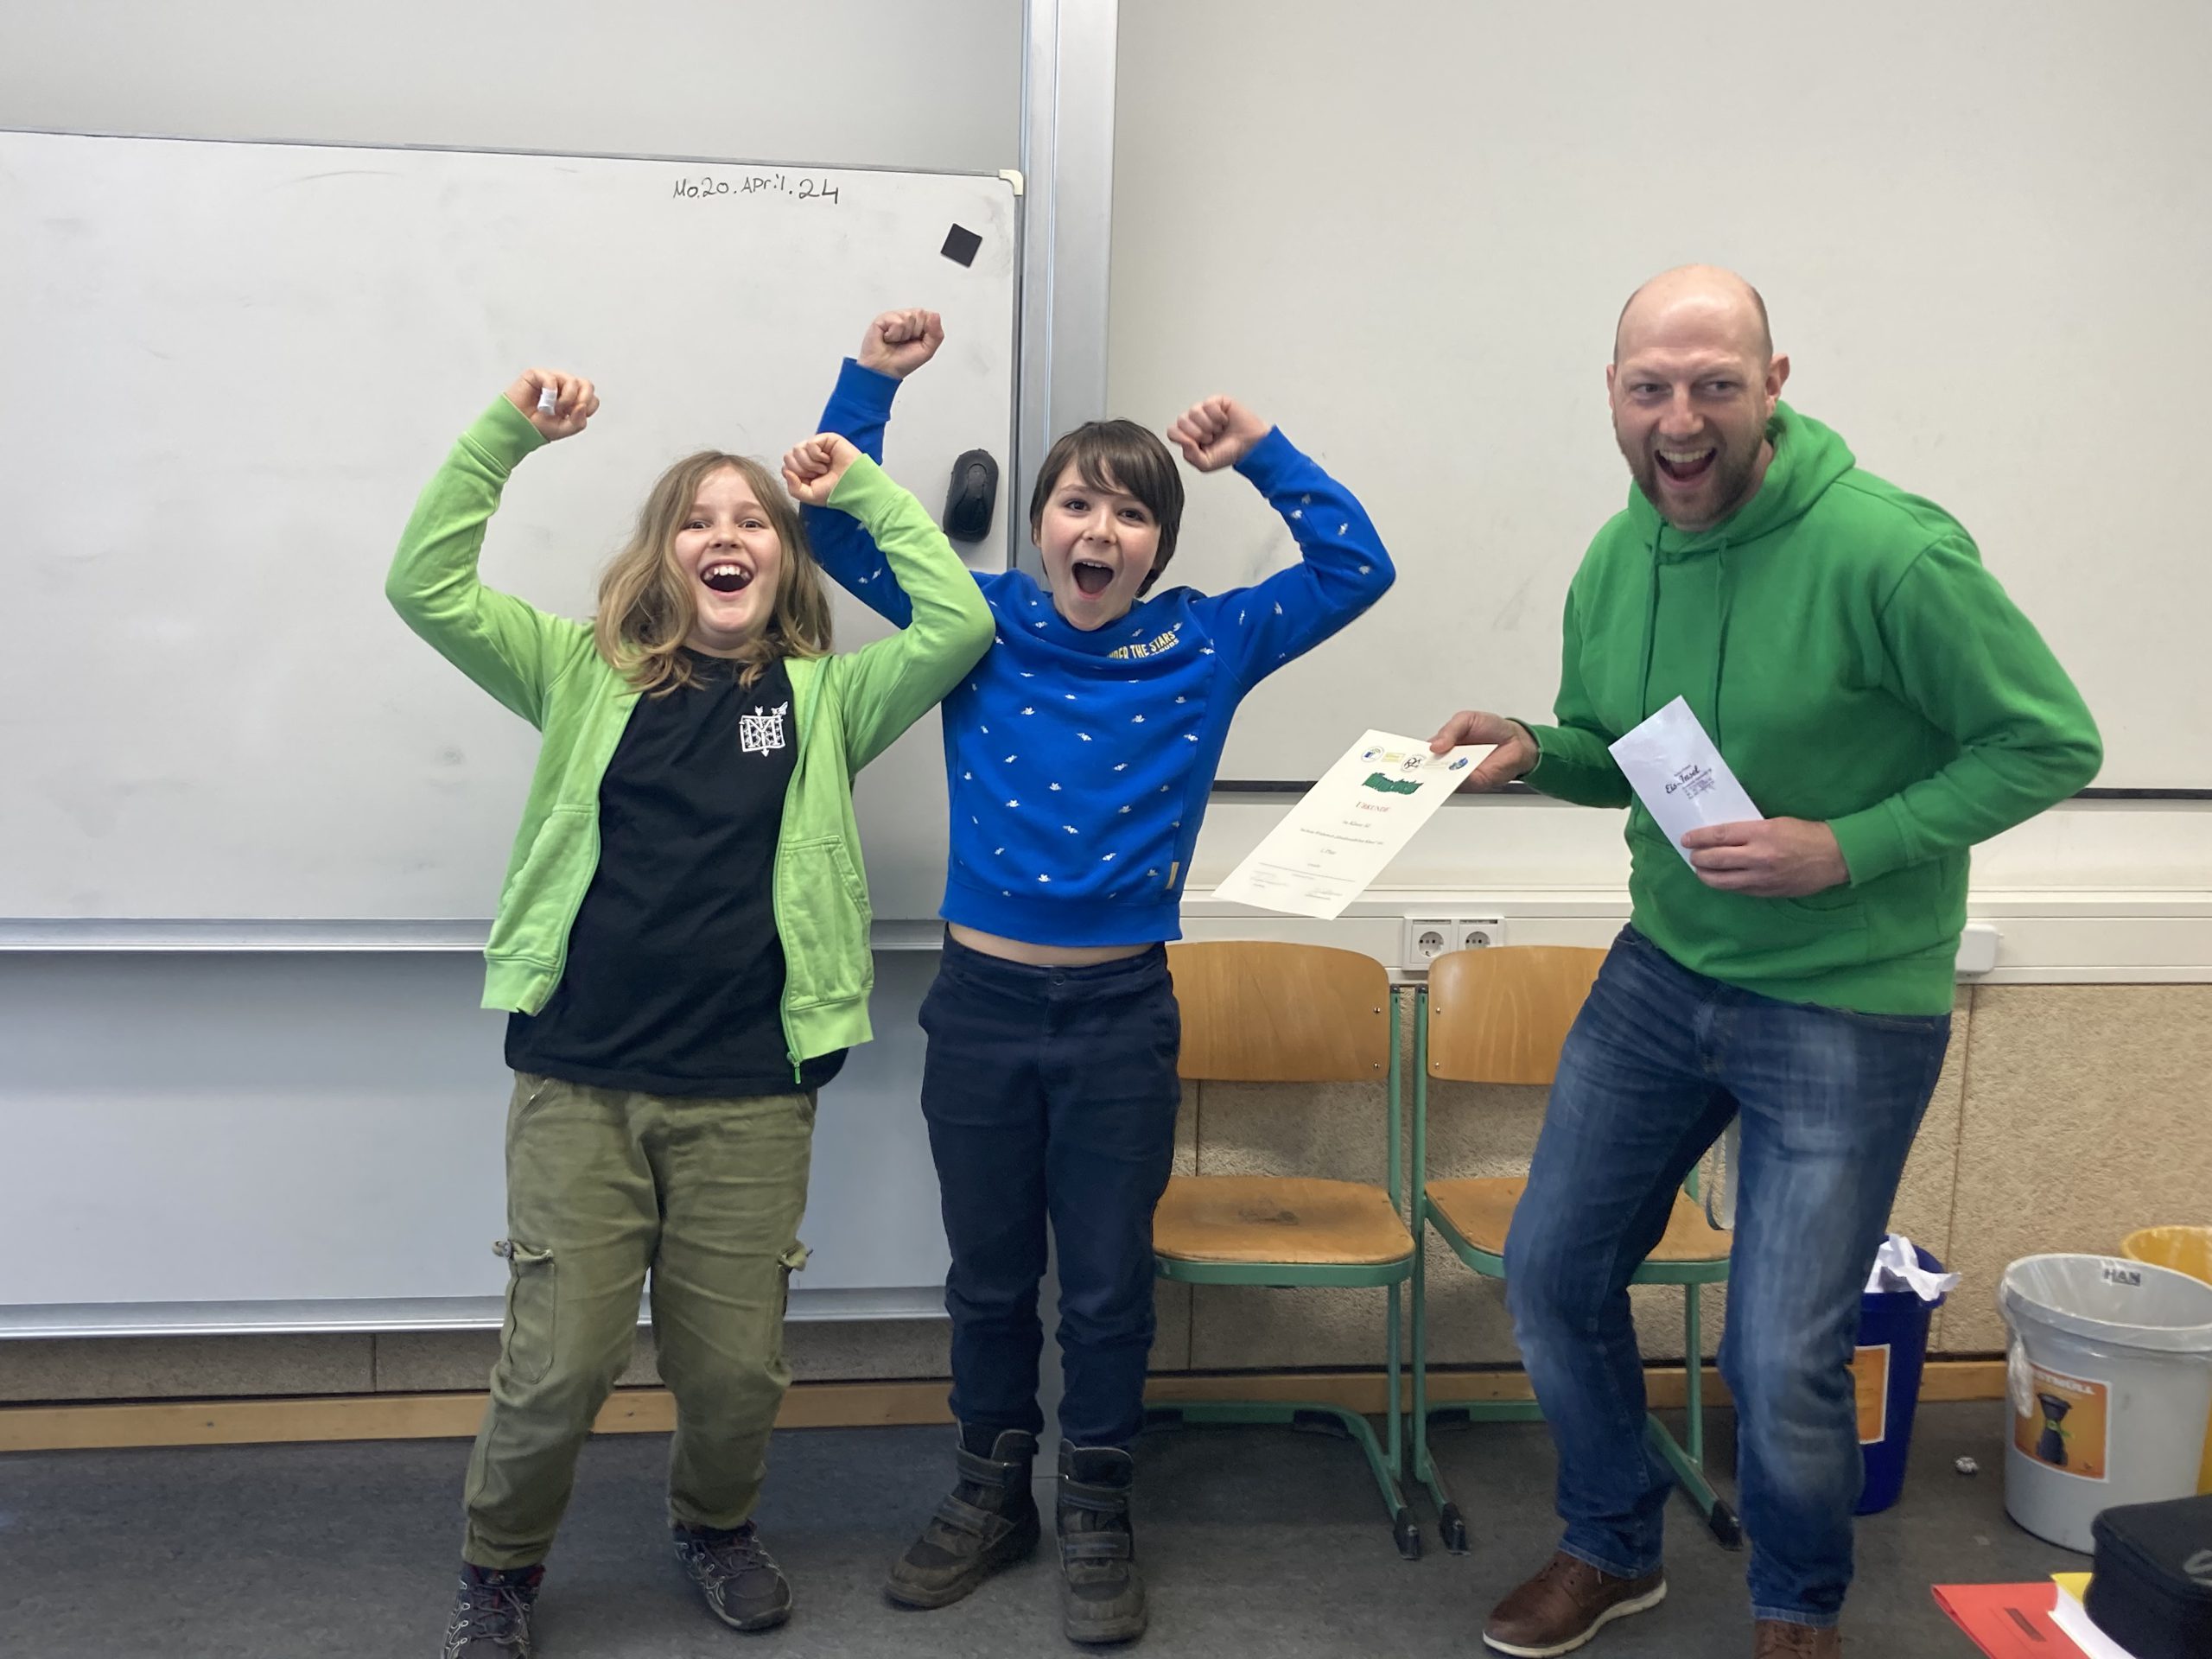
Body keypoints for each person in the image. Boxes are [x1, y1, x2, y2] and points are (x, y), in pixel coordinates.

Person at [1429, 265, 2101, 1659]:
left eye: (1715, 387)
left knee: (1778, 1351)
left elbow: (2050, 742)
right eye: (1650, 389)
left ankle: (1798, 1610)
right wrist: (1535, 749)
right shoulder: (1616, 559)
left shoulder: (1890, 552)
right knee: (1552, 1274)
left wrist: (1844, 847)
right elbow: (1618, 744)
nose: (1681, 421)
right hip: (1668, 972)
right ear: (1612, 394)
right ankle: (1611, 1546)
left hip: (1849, 1000)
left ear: (1774, 386)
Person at [803, 309, 1395, 1645]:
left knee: (1111, 1285)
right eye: (1078, 502)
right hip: (981, 1009)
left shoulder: (1207, 639)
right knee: (988, 1275)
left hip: (1122, 1016)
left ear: (1158, 550)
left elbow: (1356, 566)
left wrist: (1264, 452)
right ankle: (988, 1493)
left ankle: (1096, 1506)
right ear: (1040, 527)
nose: (1101, 529)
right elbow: (835, 529)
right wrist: (871, 382)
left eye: (1132, 513)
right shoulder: (979, 616)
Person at [386, 365, 992, 1656]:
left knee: (733, 1370)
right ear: (663, 556)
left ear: (783, 559)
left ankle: (716, 1527)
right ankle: (500, 1567)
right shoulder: (577, 673)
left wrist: (863, 491)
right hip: (581, 1083)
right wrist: (505, 439)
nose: (728, 536)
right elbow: (424, 588)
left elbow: (955, 625)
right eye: (699, 520)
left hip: (752, 1093)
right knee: (560, 1362)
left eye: (754, 520)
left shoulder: (826, 698)